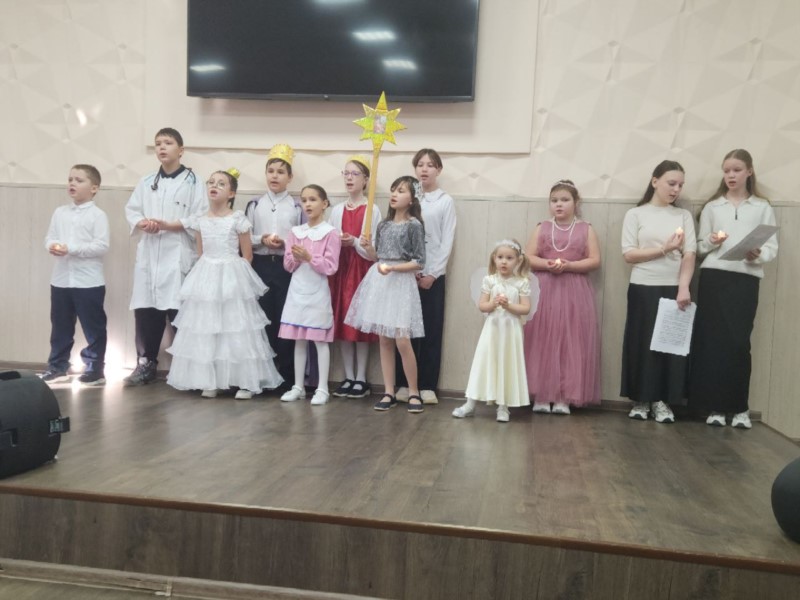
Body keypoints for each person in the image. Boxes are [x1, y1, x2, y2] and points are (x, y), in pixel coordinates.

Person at [164, 169, 283, 398]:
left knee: (236, 326)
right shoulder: (200, 220)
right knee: (208, 326)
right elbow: (201, 252)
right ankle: (211, 379)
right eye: (211, 182)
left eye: (221, 183)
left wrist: (239, 281)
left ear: (231, 193)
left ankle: (246, 382)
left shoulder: (237, 219)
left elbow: (247, 255)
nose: (214, 186)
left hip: (232, 275)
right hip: (207, 274)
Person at [688, 149, 778, 429]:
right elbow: (699, 247)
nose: (731, 175)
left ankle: (739, 408)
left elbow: (771, 247)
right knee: (713, 343)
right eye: (726, 170)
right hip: (715, 278)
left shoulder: (762, 207)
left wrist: (757, 254)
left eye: (736, 170)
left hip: (745, 279)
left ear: (749, 171)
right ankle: (715, 407)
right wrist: (712, 241)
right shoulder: (713, 207)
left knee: (739, 344)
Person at [124, 127, 207, 386]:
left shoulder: (194, 182)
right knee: (146, 309)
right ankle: (146, 363)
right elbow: (132, 210)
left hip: (178, 252)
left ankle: (185, 368)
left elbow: (200, 217)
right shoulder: (147, 181)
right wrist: (143, 223)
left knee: (180, 311)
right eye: (158, 143)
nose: (162, 147)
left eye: (168, 143)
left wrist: (171, 225)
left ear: (180, 150)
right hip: (150, 254)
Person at [621, 160, 696, 423]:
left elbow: (689, 254)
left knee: (669, 345)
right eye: (671, 183)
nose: (676, 189)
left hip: (673, 286)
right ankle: (641, 399)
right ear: (655, 181)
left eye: (680, 185)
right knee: (641, 343)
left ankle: (662, 401)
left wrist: (683, 287)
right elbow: (629, 254)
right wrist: (664, 249)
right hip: (643, 285)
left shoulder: (683, 216)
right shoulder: (636, 214)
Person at [345, 176, 426, 413]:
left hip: (400, 283)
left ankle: (413, 391)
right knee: (384, 339)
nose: (394, 194)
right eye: (393, 190)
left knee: (402, 339)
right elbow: (377, 256)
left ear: (412, 199)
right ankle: (389, 391)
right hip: (381, 281)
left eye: (400, 191)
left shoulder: (414, 225)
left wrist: (393, 268)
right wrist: (369, 248)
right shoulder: (383, 225)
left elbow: (419, 262)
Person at [524, 180, 601, 415]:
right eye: (554, 200)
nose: (559, 204)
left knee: (570, 342)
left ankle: (563, 397)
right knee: (541, 340)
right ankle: (540, 394)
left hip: (574, 291)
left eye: (565, 200)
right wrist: (548, 263)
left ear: (576, 203)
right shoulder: (542, 227)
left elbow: (595, 260)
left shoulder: (586, 229)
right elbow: (527, 257)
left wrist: (570, 265)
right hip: (544, 289)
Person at [395, 149, 456, 405]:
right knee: (404, 331)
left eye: (430, 165)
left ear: (438, 170)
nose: (424, 169)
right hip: (406, 274)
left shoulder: (445, 201)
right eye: (420, 164)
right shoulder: (409, 198)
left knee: (430, 330)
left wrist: (433, 273)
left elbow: (446, 241)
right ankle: (403, 384)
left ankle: (428, 385)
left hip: (432, 276)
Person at [40, 164, 109, 385]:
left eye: (79, 180)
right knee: (60, 326)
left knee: (93, 327)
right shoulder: (60, 212)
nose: (72, 183)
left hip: (88, 281)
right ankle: (57, 366)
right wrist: (52, 246)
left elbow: (101, 246)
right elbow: (49, 237)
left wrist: (71, 249)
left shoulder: (98, 215)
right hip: (61, 280)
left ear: (94, 188)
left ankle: (95, 370)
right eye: (70, 179)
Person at [452, 239, 532, 422]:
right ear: (494, 258)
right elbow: (482, 305)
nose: (504, 262)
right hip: (492, 329)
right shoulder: (489, 280)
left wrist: (509, 305)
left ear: (518, 260)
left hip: (511, 331)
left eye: (509, 258)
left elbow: (525, 308)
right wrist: (493, 303)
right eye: (500, 257)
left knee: (507, 363)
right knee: (483, 362)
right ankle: (470, 404)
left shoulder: (521, 282)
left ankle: (503, 407)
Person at [245, 143, 304, 388]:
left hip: (285, 267)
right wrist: (262, 239)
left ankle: (287, 376)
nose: (275, 176)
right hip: (260, 265)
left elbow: (302, 237)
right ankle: (264, 375)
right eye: (271, 171)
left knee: (284, 319)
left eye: (281, 172)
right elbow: (245, 236)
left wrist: (285, 243)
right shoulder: (254, 204)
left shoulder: (297, 206)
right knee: (263, 319)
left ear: (290, 177)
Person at [278, 185, 341, 405]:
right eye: (304, 200)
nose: (307, 204)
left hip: (317, 292)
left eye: (313, 199)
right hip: (297, 291)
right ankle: (298, 386)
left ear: (324, 204)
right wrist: (296, 258)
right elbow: (287, 265)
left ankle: (322, 388)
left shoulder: (331, 233)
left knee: (319, 340)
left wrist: (309, 257)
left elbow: (331, 267)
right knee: (299, 339)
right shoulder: (295, 232)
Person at [329, 156, 380, 400]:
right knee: (343, 323)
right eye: (346, 173)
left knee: (360, 326)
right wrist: (339, 242)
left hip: (361, 270)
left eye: (355, 174)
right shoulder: (337, 210)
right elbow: (330, 240)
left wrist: (356, 242)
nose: (349, 178)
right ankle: (348, 376)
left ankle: (361, 378)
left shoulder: (372, 210)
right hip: (341, 269)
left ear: (366, 180)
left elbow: (374, 248)